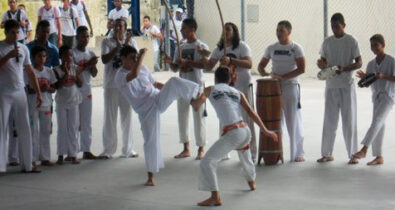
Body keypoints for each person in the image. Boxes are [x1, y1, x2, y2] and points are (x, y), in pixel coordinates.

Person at [115, 45, 201, 186]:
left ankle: (194, 100)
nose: (135, 60)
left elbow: (155, 83)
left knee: (173, 82)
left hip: (157, 98)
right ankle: (151, 176)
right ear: (122, 58)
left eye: (136, 57)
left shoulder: (142, 69)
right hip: (145, 109)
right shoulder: (119, 75)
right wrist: (141, 56)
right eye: (132, 58)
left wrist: (168, 88)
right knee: (151, 141)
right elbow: (134, 75)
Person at [191, 66, 277, 206]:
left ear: (215, 78)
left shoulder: (210, 89)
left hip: (233, 133)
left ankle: (215, 196)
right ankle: (251, 182)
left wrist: (190, 97)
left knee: (207, 161)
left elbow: (196, 106)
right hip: (245, 131)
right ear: (230, 79)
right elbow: (251, 113)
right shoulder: (238, 92)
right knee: (245, 154)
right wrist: (266, 130)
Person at [206, 22, 257, 162]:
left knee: (246, 118)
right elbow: (209, 65)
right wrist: (203, 55)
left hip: (243, 86)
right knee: (225, 117)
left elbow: (249, 64)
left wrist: (231, 60)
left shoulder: (242, 46)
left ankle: (251, 152)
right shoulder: (219, 49)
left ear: (234, 32)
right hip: (227, 88)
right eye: (224, 30)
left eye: (228, 29)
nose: (225, 32)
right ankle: (224, 151)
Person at [316, 13, 362, 164]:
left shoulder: (351, 41)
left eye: (337, 26)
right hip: (331, 86)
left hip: (347, 85)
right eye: (332, 26)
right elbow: (322, 60)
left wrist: (345, 68)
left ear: (344, 25)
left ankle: (353, 154)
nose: (334, 29)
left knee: (349, 121)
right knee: (329, 120)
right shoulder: (327, 42)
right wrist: (321, 64)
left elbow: (359, 62)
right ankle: (326, 153)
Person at [258, 20, 306, 162]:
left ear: (289, 32)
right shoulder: (271, 47)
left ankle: (298, 153)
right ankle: (277, 151)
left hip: (290, 86)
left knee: (293, 119)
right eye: (277, 30)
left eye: (282, 31)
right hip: (274, 87)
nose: (278, 33)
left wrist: (283, 77)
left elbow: (302, 68)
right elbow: (261, 65)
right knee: (277, 120)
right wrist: (263, 72)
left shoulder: (296, 48)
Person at [0, 19, 42, 173]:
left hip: (20, 91)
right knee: (1, 127)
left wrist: (38, 93)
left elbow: (30, 72)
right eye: (13, 32)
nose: (16, 35)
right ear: (6, 32)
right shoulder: (1, 47)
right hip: (3, 92)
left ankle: (28, 164)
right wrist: (8, 56)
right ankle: (1, 165)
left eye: (18, 32)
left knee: (24, 127)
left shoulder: (23, 48)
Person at [164, 18, 208, 160]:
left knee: (199, 117)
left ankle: (201, 148)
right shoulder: (180, 47)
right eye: (181, 29)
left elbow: (204, 65)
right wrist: (171, 62)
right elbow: (176, 68)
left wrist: (189, 62)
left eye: (184, 28)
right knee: (182, 116)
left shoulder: (201, 46)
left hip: (196, 86)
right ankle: (186, 148)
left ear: (192, 29)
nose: (181, 31)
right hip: (183, 86)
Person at [352, 34, 395, 165]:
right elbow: (368, 83)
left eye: (376, 45)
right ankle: (379, 156)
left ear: (383, 45)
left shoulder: (391, 61)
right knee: (379, 124)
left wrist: (384, 76)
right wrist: (364, 78)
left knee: (376, 121)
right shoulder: (371, 64)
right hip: (376, 97)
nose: (373, 48)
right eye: (371, 45)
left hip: (388, 96)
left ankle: (364, 149)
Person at [99, 18, 138, 159]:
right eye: (115, 26)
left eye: (121, 26)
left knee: (127, 116)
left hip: (126, 84)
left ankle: (128, 149)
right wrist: (118, 46)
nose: (117, 28)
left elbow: (136, 61)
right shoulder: (106, 42)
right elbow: (105, 60)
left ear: (125, 28)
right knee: (109, 117)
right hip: (111, 84)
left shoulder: (132, 42)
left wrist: (126, 45)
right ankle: (108, 150)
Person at [26, 46, 57, 166]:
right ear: (33, 58)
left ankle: (45, 157)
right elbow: (28, 89)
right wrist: (38, 89)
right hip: (33, 104)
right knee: (33, 131)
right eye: (39, 56)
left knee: (45, 131)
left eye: (44, 56)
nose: (42, 58)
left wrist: (47, 88)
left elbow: (54, 88)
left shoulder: (49, 71)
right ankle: (33, 158)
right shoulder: (30, 71)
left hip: (46, 104)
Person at [53, 45, 83, 165]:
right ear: (61, 56)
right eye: (66, 55)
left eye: (70, 55)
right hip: (61, 102)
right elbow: (57, 86)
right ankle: (61, 154)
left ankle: (73, 154)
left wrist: (74, 76)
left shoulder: (76, 68)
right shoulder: (56, 70)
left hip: (74, 101)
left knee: (73, 128)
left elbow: (80, 84)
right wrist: (65, 74)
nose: (69, 57)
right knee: (62, 128)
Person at [73, 26, 98, 159]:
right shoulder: (72, 54)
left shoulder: (91, 53)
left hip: (87, 89)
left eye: (87, 36)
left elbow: (94, 74)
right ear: (77, 37)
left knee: (86, 120)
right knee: (75, 121)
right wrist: (88, 64)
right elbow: (73, 73)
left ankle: (86, 149)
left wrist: (93, 65)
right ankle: (73, 150)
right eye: (83, 36)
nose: (86, 39)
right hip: (74, 90)